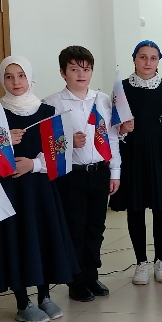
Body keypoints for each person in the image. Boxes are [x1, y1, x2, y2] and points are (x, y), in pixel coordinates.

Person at [0, 56, 78, 322]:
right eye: (9, 76)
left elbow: (60, 153)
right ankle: (22, 301)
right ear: (2, 80)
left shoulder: (47, 111)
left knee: (42, 239)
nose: (16, 82)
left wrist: (33, 165)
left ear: (30, 78)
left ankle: (44, 296)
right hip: (10, 191)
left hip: (40, 189)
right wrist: (3, 142)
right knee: (18, 241)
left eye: (21, 75)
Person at [42, 46, 121, 303]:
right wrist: (67, 142)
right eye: (74, 69)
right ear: (63, 72)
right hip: (71, 175)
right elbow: (47, 145)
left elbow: (111, 137)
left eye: (86, 69)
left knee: (96, 228)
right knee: (75, 228)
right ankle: (75, 281)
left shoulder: (102, 100)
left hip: (99, 171)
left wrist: (115, 171)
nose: (81, 74)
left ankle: (91, 275)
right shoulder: (51, 104)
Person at [110, 41, 162, 285]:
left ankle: (160, 259)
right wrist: (122, 129)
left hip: (158, 153)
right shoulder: (121, 88)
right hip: (132, 153)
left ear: (158, 61)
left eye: (153, 58)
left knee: (161, 207)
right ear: (134, 59)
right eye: (143, 57)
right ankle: (141, 262)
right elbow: (112, 126)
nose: (148, 62)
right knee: (136, 208)